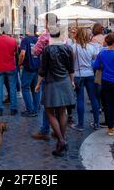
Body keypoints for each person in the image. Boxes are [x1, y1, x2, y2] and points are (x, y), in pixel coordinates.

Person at [35, 26, 75, 157]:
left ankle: (61, 141)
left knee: (49, 111)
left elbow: (43, 70)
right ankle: (60, 141)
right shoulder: (68, 48)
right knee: (62, 112)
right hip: (64, 81)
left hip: (51, 82)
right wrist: (72, 81)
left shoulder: (47, 50)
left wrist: (38, 83)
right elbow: (71, 69)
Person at [31, 13, 58, 141]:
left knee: (46, 101)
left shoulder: (44, 37)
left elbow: (35, 51)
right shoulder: (62, 36)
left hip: (47, 72)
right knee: (58, 102)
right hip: (60, 72)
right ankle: (57, 129)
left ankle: (45, 129)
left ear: (47, 22)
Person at [69, 27, 99, 131]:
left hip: (78, 75)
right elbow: (95, 59)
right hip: (90, 74)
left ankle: (80, 124)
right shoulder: (92, 47)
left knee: (80, 99)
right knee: (93, 98)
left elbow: (71, 63)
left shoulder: (73, 47)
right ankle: (96, 123)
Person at [0, 24, 19, 116]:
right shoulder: (13, 41)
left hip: (0, 67)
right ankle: (13, 109)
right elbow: (16, 52)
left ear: (1, 30)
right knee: (12, 88)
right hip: (11, 67)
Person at [19, 25, 41, 117]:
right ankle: (35, 108)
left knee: (25, 88)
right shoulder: (39, 40)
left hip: (28, 68)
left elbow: (22, 53)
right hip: (37, 68)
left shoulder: (25, 40)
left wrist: (19, 63)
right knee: (36, 89)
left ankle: (30, 110)